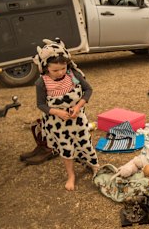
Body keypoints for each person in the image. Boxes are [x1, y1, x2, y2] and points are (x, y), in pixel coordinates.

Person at [32, 39, 99, 191]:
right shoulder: (41, 82)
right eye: (55, 70)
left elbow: (88, 90)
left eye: (63, 68)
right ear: (45, 67)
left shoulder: (73, 74)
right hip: (57, 124)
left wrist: (78, 106)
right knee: (65, 148)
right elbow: (40, 104)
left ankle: (94, 165)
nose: (60, 72)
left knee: (85, 143)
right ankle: (71, 175)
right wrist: (58, 112)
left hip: (77, 120)